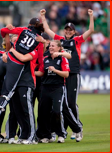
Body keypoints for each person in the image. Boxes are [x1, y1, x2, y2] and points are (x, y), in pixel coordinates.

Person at [40, 9, 94, 140]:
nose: (68, 31)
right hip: (60, 76)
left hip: (73, 74)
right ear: (64, 31)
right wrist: (42, 16)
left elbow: (91, 30)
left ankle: (78, 128)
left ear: (74, 31)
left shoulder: (77, 40)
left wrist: (91, 16)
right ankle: (64, 130)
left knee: (71, 103)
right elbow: (47, 30)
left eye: (71, 29)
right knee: (63, 105)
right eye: (66, 29)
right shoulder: (59, 40)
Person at [35, 40, 70, 143]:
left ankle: (61, 134)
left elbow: (66, 74)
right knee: (43, 113)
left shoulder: (63, 59)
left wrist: (55, 70)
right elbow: (41, 72)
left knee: (56, 111)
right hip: (45, 88)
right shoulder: (45, 59)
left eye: (53, 46)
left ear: (59, 48)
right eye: (50, 46)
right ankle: (47, 136)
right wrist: (30, 72)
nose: (50, 47)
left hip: (57, 88)